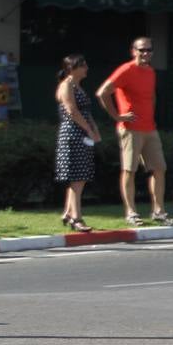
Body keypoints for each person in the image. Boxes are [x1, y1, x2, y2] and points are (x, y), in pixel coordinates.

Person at [95, 36, 173, 226]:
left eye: (148, 50)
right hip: (130, 129)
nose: (145, 53)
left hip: (150, 128)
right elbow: (103, 92)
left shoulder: (150, 72)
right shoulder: (126, 70)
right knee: (129, 170)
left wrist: (151, 116)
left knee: (159, 169)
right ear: (133, 51)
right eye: (141, 50)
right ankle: (131, 212)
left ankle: (159, 211)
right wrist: (117, 116)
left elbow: (151, 97)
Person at [54, 55, 100, 232]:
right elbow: (72, 111)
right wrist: (88, 129)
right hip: (73, 134)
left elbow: (85, 111)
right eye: (83, 65)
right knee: (77, 179)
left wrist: (93, 129)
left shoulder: (77, 86)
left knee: (79, 177)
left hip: (81, 133)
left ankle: (67, 212)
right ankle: (76, 217)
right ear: (72, 68)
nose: (86, 68)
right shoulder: (66, 86)